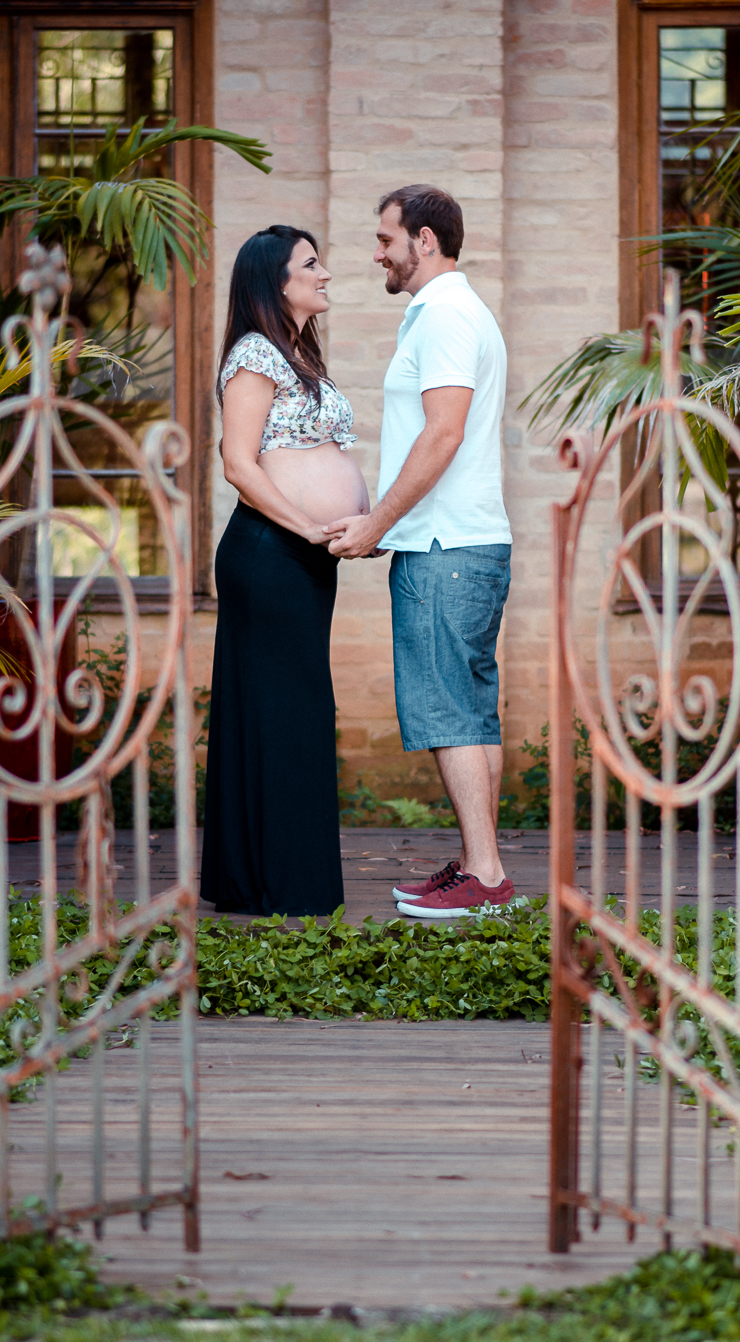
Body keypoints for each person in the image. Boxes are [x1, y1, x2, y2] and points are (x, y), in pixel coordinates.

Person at [323, 185, 514, 919]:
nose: (378, 254)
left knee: (449, 716)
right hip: (460, 542)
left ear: (424, 240)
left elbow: (442, 435)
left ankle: (487, 876)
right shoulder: (458, 313)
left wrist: (378, 524)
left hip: (446, 550)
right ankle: (478, 863)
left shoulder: (444, 316)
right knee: (472, 712)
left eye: (386, 240)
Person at [200, 225, 366, 917]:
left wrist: (364, 522)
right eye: (310, 263)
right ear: (277, 281)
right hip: (270, 553)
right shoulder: (253, 356)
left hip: (303, 556)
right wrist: (305, 527)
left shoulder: (299, 354)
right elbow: (238, 464)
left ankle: (266, 878)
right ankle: (279, 884)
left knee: (293, 710)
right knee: (280, 712)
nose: (324, 272)